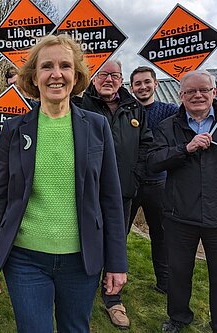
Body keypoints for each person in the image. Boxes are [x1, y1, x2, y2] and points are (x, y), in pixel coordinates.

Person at [0, 34, 128, 333]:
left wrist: (117, 262)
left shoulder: (97, 126)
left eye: (65, 66)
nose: (56, 74)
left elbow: (111, 199)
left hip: (82, 260)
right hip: (25, 259)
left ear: (77, 75)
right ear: (34, 77)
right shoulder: (13, 129)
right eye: (47, 66)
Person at [148, 70, 217, 333]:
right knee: (178, 273)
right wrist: (185, 149)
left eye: (203, 90)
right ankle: (178, 317)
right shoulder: (168, 127)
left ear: (214, 92)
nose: (197, 95)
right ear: (181, 95)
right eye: (190, 91)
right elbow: (153, 162)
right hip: (179, 216)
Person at [80, 59, 153, 329]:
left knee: (116, 243)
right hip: (86, 192)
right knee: (84, 243)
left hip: (121, 192)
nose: (108, 79)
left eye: (114, 75)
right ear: (93, 77)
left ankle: (113, 299)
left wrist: (135, 175)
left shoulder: (134, 107)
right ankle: (81, 296)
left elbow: (147, 144)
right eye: (103, 74)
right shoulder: (80, 103)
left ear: (121, 79)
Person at [128, 66, 178, 294]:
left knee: (161, 235)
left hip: (159, 183)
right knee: (119, 234)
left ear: (155, 84)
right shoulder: (127, 112)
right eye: (137, 83)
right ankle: (112, 280)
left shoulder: (169, 110)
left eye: (147, 82)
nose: (142, 87)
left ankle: (165, 284)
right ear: (131, 87)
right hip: (131, 183)